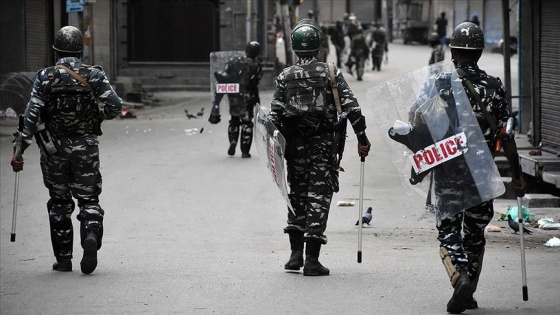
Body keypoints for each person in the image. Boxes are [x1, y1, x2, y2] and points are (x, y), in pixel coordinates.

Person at [10, 26, 123, 274]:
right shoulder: (94, 75)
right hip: (86, 148)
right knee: (89, 199)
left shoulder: (44, 77)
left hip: (53, 150)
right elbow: (116, 106)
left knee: (59, 202)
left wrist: (19, 151)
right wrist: (97, 118)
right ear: (81, 51)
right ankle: (91, 234)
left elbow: (31, 116)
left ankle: (63, 259)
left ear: (55, 51)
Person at [433, 22, 525, 313]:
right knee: (474, 232)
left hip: (449, 170)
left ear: (454, 51)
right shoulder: (496, 88)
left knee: (447, 228)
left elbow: (423, 126)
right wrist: (518, 175)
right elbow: (506, 136)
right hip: (482, 171)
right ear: (480, 52)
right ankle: (469, 289)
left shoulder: (442, 84)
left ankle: (459, 277)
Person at [268, 18, 371, 276]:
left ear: (295, 48)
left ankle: (295, 256)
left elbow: (274, 117)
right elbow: (351, 107)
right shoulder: (330, 72)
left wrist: (278, 150)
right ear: (318, 47)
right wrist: (362, 137)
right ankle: (312, 260)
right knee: (319, 197)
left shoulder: (285, 76)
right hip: (323, 146)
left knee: (297, 195)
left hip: (294, 148)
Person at [209, 41, 263, 158]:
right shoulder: (255, 65)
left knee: (234, 119)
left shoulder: (233, 61)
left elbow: (224, 78)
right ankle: (245, 151)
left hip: (234, 95)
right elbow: (256, 80)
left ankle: (233, 141)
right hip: (248, 97)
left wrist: (217, 100)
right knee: (247, 123)